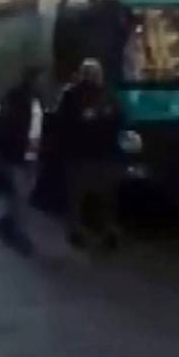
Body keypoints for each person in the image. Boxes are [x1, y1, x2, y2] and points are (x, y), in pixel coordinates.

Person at [56, 58, 122, 250]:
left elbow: (63, 123)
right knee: (98, 196)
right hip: (93, 153)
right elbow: (117, 118)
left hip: (88, 153)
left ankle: (87, 231)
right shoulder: (96, 94)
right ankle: (100, 231)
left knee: (84, 196)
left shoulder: (75, 94)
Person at [0, 65, 42, 252]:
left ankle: (8, 223)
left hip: (33, 152)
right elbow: (6, 122)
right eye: (38, 78)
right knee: (21, 194)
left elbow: (38, 123)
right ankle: (18, 233)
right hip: (18, 152)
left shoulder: (36, 98)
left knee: (23, 193)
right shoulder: (17, 97)